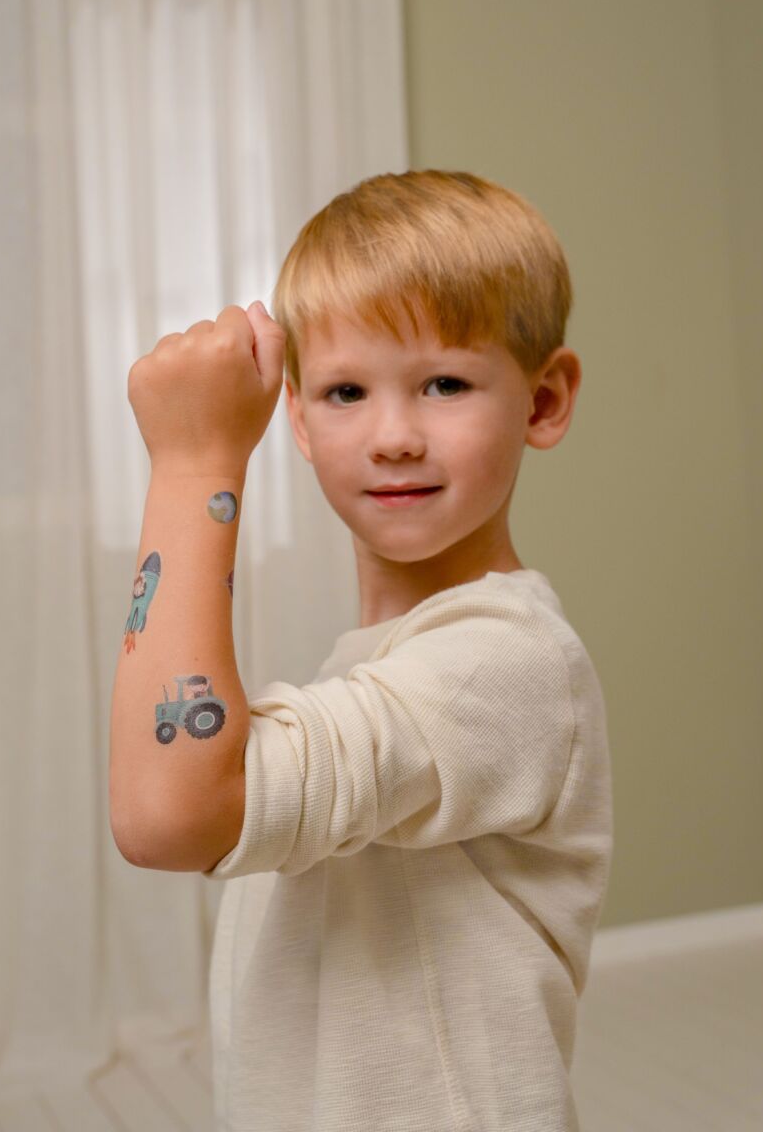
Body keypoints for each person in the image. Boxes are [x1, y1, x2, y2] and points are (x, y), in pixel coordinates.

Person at [111, 169, 613, 1131]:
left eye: (445, 383)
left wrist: (192, 466)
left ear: (543, 402)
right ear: (298, 420)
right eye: (346, 390)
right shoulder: (381, 662)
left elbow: (169, 814)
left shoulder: (503, 660)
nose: (393, 436)